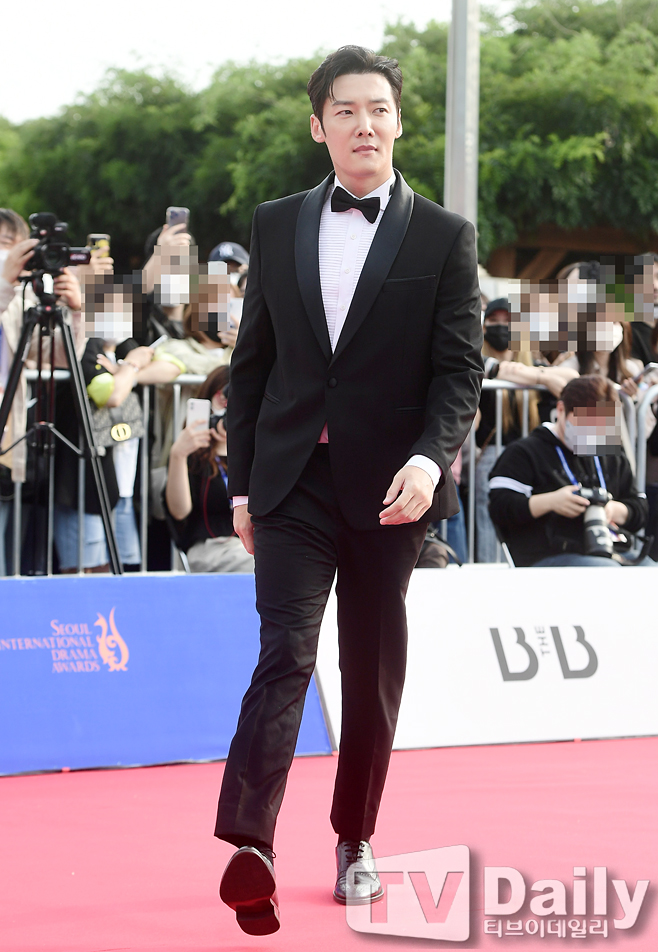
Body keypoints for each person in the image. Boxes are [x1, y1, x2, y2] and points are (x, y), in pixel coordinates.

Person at [215, 46, 483, 935]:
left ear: (397, 120)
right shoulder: (276, 223)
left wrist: (430, 459)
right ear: (318, 125)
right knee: (284, 651)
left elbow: (459, 373)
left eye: (377, 109)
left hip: (391, 490)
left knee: (369, 669)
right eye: (345, 110)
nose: (363, 124)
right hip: (291, 481)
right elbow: (250, 368)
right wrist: (242, 489)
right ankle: (251, 844)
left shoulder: (444, 236)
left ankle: (355, 837)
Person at [487, 375, 648, 567]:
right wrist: (551, 502)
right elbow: (500, 507)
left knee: (649, 570)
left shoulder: (610, 454)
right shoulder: (525, 452)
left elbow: (639, 507)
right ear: (561, 410)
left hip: (610, 549)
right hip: (547, 555)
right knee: (606, 572)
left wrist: (612, 510)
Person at [163, 366, 254, 572]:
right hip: (211, 548)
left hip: (253, 544)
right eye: (224, 403)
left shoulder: (254, 452)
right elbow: (179, 512)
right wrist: (178, 455)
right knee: (263, 565)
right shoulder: (193, 455)